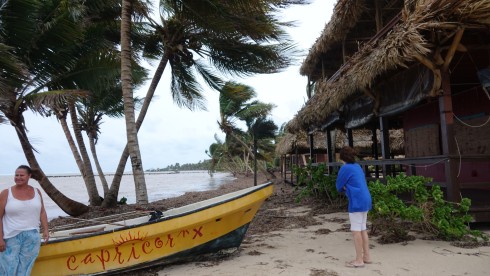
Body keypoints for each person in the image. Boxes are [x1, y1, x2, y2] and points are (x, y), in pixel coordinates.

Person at [0, 165, 49, 275]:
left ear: (29, 176)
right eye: (16, 175)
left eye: (21, 175)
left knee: (26, 268)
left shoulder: (37, 192)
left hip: (32, 236)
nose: (18, 177)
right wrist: (0, 238)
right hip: (10, 237)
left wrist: (45, 229)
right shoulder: (6, 193)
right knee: (8, 268)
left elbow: (42, 212)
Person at [335, 146, 372, 268]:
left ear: (342, 157)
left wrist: (345, 187)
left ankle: (359, 260)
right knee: (362, 229)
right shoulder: (357, 166)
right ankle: (366, 257)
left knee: (356, 231)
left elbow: (338, 186)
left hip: (356, 201)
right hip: (365, 199)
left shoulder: (345, 168)